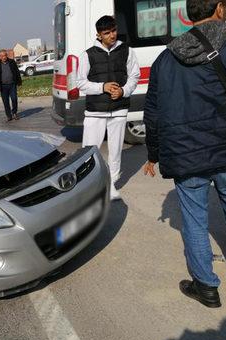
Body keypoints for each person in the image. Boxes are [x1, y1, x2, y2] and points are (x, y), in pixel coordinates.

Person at [144, 0, 226, 307]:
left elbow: (152, 113)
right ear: (220, 8)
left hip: (185, 154)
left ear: (187, 16)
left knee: (195, 219)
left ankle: (206, 287)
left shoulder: (165, 58)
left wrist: (153, 154)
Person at [77, 15, 140, 201]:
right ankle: (88, 188)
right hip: (95, 111)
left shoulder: (127, 51)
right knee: (90, 151)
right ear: (99, 35)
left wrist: (123, 91)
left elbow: (134, 76)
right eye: (107, 33)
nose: (112, 35)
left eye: (113, 31)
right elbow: (80, 82)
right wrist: (101, 87)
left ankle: (111, 185)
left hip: (119, 110)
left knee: (115, 151)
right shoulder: (87, 55)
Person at [0, 50, 23, 122]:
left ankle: (14, 113)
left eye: (5, 55)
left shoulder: (12, 62)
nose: (4, 57)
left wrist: (19, 83)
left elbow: (17, 72)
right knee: (5, 102)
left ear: (7, 55)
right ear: (0, 57)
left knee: (14, 99)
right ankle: (9, 116)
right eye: (2, 56)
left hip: (12, 84)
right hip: (3, 86)